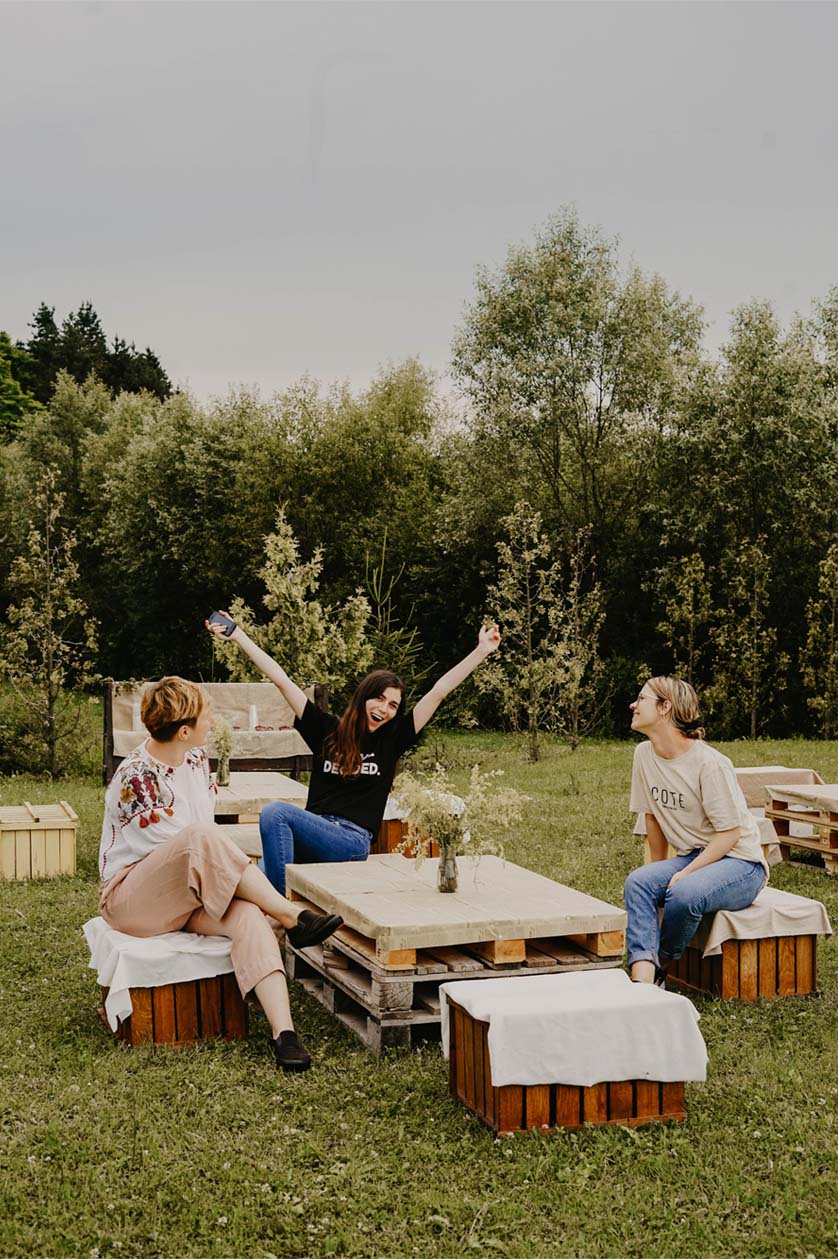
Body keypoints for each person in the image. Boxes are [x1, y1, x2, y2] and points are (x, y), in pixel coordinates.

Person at [97, 676, 344, 1071]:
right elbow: (184, 851)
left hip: (186, 893)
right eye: (206, 715)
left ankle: (284, 1034)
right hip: (132, 900)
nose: (212, 720)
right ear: (183, 730)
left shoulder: (195, 759)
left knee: (248, 918)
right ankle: (290, 915)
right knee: (200, 838)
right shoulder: (137, 777)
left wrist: (246, 899)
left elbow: (204, 855)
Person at [205, 613, 501, 894]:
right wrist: (239, 635)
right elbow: (281, 680)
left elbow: (439, 691)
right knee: (249, 881)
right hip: (313, 832)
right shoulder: (327, 730)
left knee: (275, 814)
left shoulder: (393, 738)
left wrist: (481, 651)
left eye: (393, 705)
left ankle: (286, 911)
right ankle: (278, 917)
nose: (384, 709)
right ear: (363, 697)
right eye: (379, 699)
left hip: (350, 840)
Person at [624, 676, 768, 985]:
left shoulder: (709, 763)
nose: (633, 705)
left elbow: (730, 834)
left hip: (741, 864)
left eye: (642, 699)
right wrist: (657, 875)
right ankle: (640, 982)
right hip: (694, 854)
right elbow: (652, 818)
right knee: (639, 882)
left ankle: (661, 966)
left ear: (665, 707)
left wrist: (685, 873)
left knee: (684, 892)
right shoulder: (643, 755)